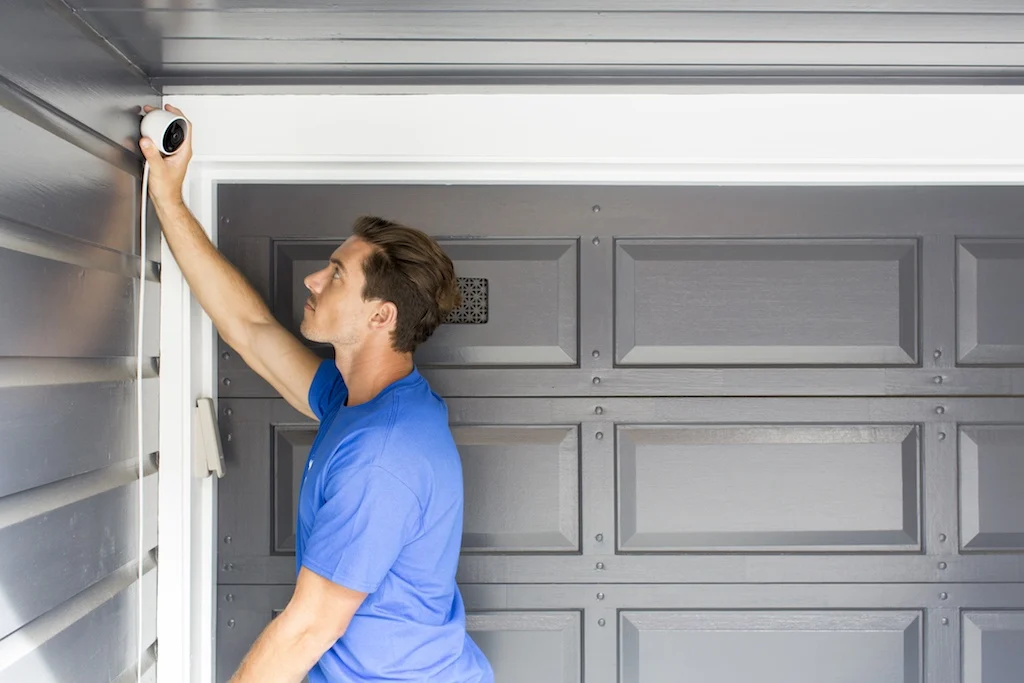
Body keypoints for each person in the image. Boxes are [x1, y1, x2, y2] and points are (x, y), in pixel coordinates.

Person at [140, 104, 494, 683]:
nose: (312, 279)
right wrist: (168, 199)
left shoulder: (383, 456)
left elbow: (309, 629)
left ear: (381, 316)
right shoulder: (361, 400)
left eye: (335, 274)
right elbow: (250, 332)